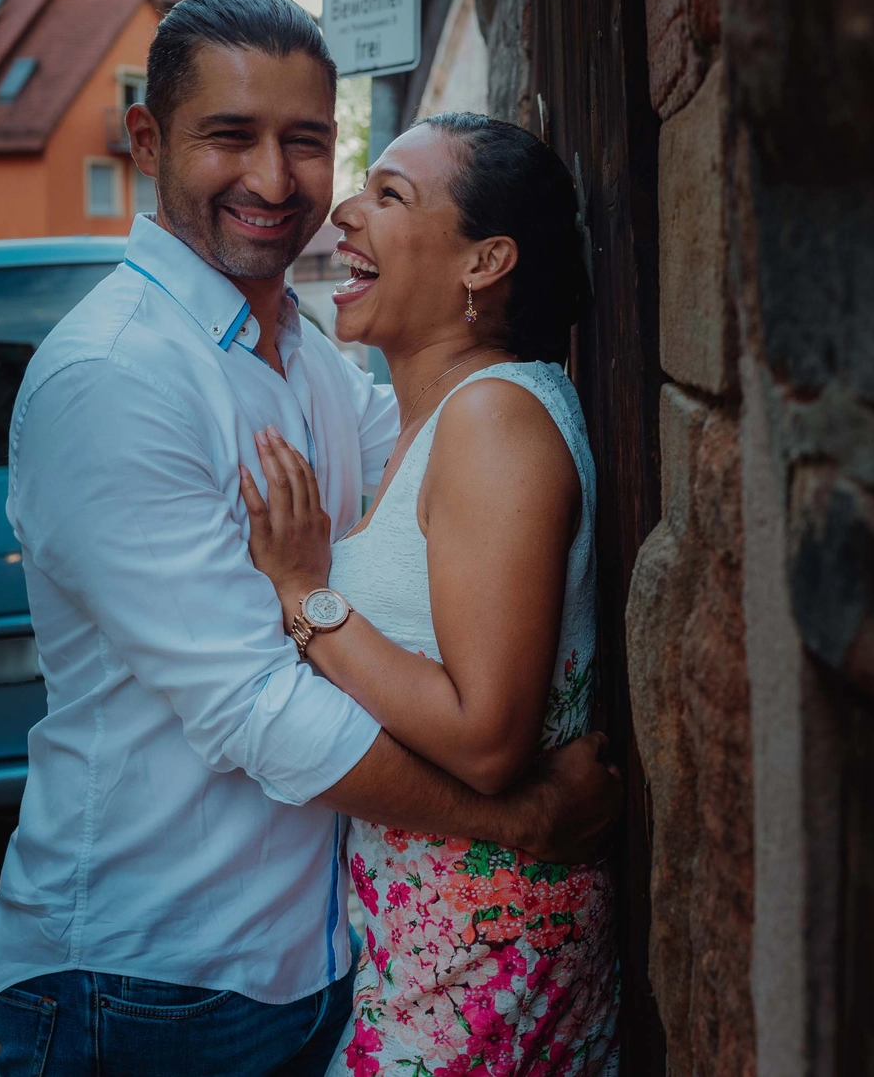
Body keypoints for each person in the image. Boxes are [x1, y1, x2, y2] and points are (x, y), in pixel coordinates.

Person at [0, 0, 620, 1077]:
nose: (276, 181)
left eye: (308, 141)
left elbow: (441, 479)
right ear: (148, 141)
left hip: (328, 962)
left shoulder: (311, 357)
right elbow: (253, 703)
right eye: (230, 136)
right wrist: (517, 818)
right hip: (152, 979)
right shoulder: (115, 376)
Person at [237, 112, 618, 1075]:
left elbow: (489, 739)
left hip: (486, 959)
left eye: (391, 194)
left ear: (484, 262)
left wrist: (307, 596)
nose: (345, 210)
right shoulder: (440, 416)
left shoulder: (493, 419)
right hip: (434, 952)